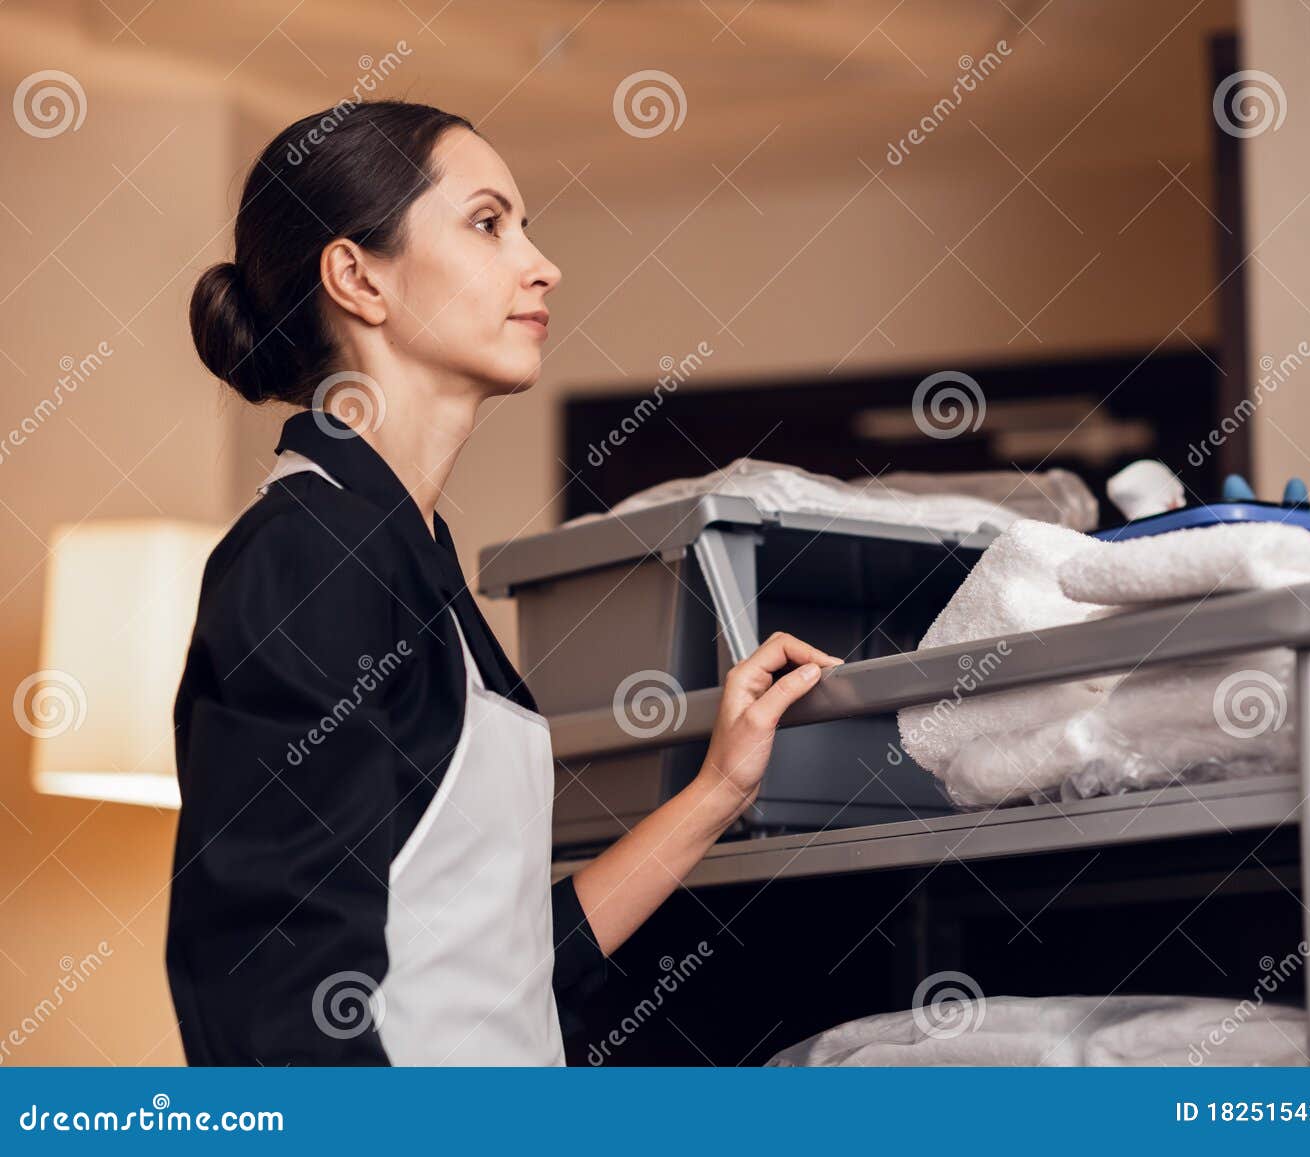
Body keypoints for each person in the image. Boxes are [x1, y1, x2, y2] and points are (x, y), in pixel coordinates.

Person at [166, 99, 841, 1065]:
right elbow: (272, 1004)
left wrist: (720, 789)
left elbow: (513, 972)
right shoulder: (310, 555)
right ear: (358, 277)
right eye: (489, 223)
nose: (542, 263)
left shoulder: (408, 551)